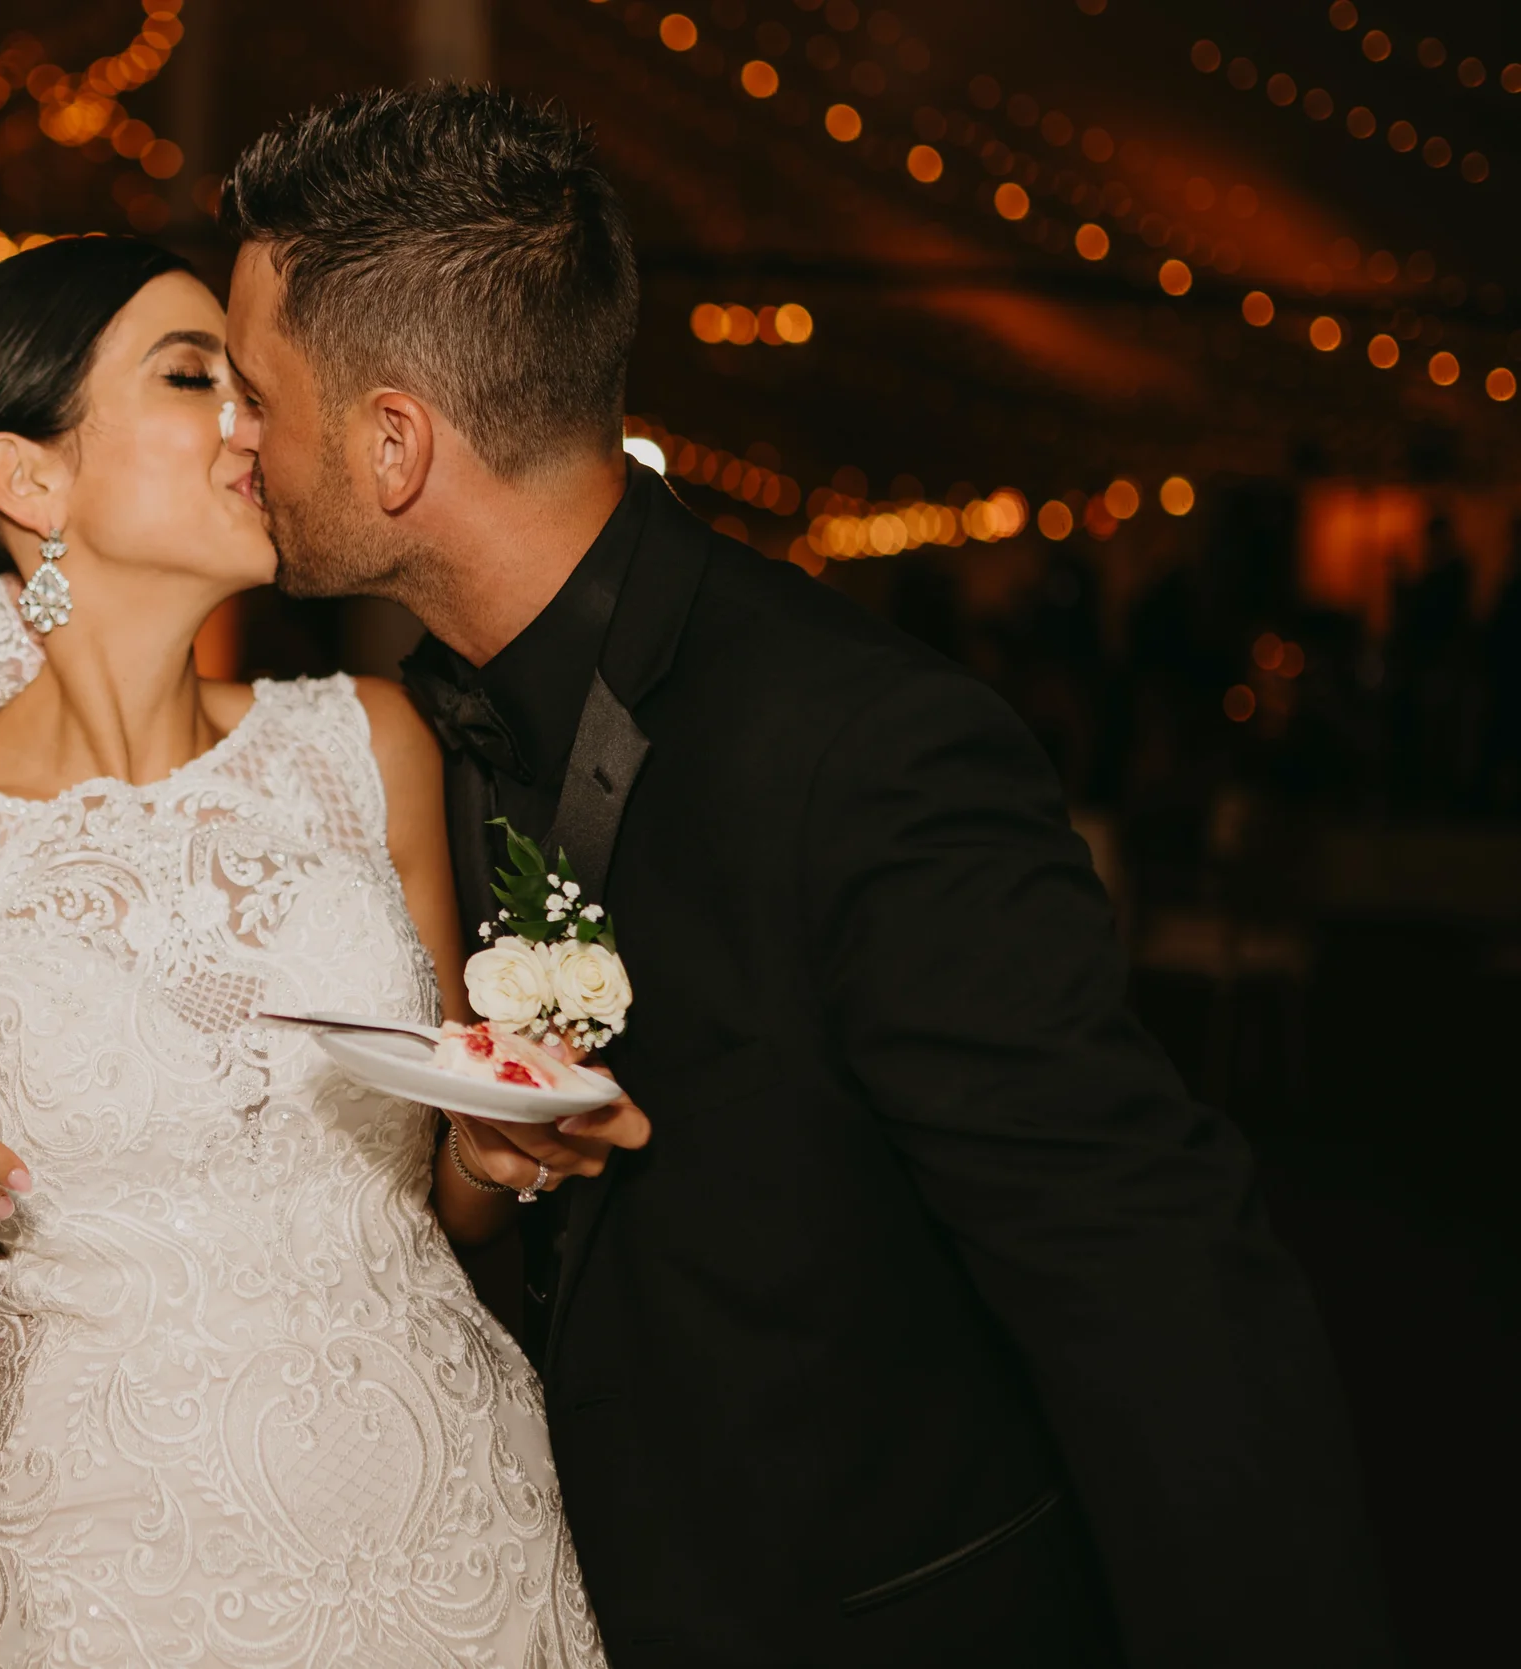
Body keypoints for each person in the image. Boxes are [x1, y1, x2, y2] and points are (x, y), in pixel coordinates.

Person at [213, 85, 1395, 1667]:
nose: (237, 436)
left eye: (254, 393)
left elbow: (1151, 1282)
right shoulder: (399, 746)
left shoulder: (868, 744)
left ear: (395, 441)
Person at [0, 234, 631, 1669]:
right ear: (27, 478)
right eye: (191, 377)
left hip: (458, 1525)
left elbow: (446, 1212)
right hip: (111, 1569)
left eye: (250, 384)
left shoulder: (373, 746)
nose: (254, 420)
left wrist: (496, 1148)